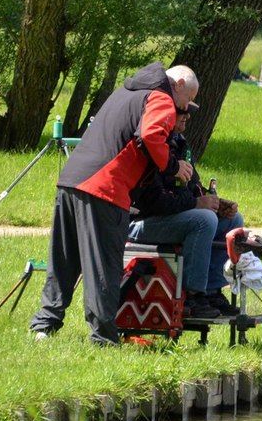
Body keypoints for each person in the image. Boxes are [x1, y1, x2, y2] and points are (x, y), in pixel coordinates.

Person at [29, 63, 198, 344]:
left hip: (71, 179)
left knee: (64, 258)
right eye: (188, 98)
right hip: (105, 187)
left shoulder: (125, 91)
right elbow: (151, 135)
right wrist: (173, 166)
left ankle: (44, 326)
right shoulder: (161, 97)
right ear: (178, 84)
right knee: (103, 265)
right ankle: (103, 338)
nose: (185, 107)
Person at [128, 102, 245, 317]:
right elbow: (154, 202)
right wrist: (196, 205)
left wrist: (215, 203)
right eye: (182, 112)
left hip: (170, 218)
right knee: (204, 220)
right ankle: (193, 296)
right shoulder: (153, 146)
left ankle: (211, 290)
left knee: (233, 220)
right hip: (141, 223)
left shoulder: (180, 144)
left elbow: (193, 187)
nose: (187, 117)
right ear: (166, 114)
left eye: (188, 114)